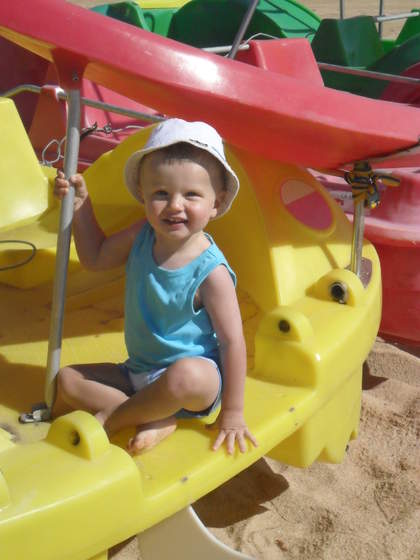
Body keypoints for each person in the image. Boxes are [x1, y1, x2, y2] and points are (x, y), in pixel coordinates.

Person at [53, 118, 257, 455]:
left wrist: (233, 413)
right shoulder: (142, 235)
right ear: (144, 196)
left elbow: (232, 342)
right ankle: (154, 416)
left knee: (187, 375)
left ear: (216, 203)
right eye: (161, 194)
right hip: (139, 371)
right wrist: (80, 206)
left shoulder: (211, 272)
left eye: (191, 195)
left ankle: (115, 418)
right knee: (67, 380)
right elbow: (96, 257)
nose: (175, 205)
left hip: (193, 383)